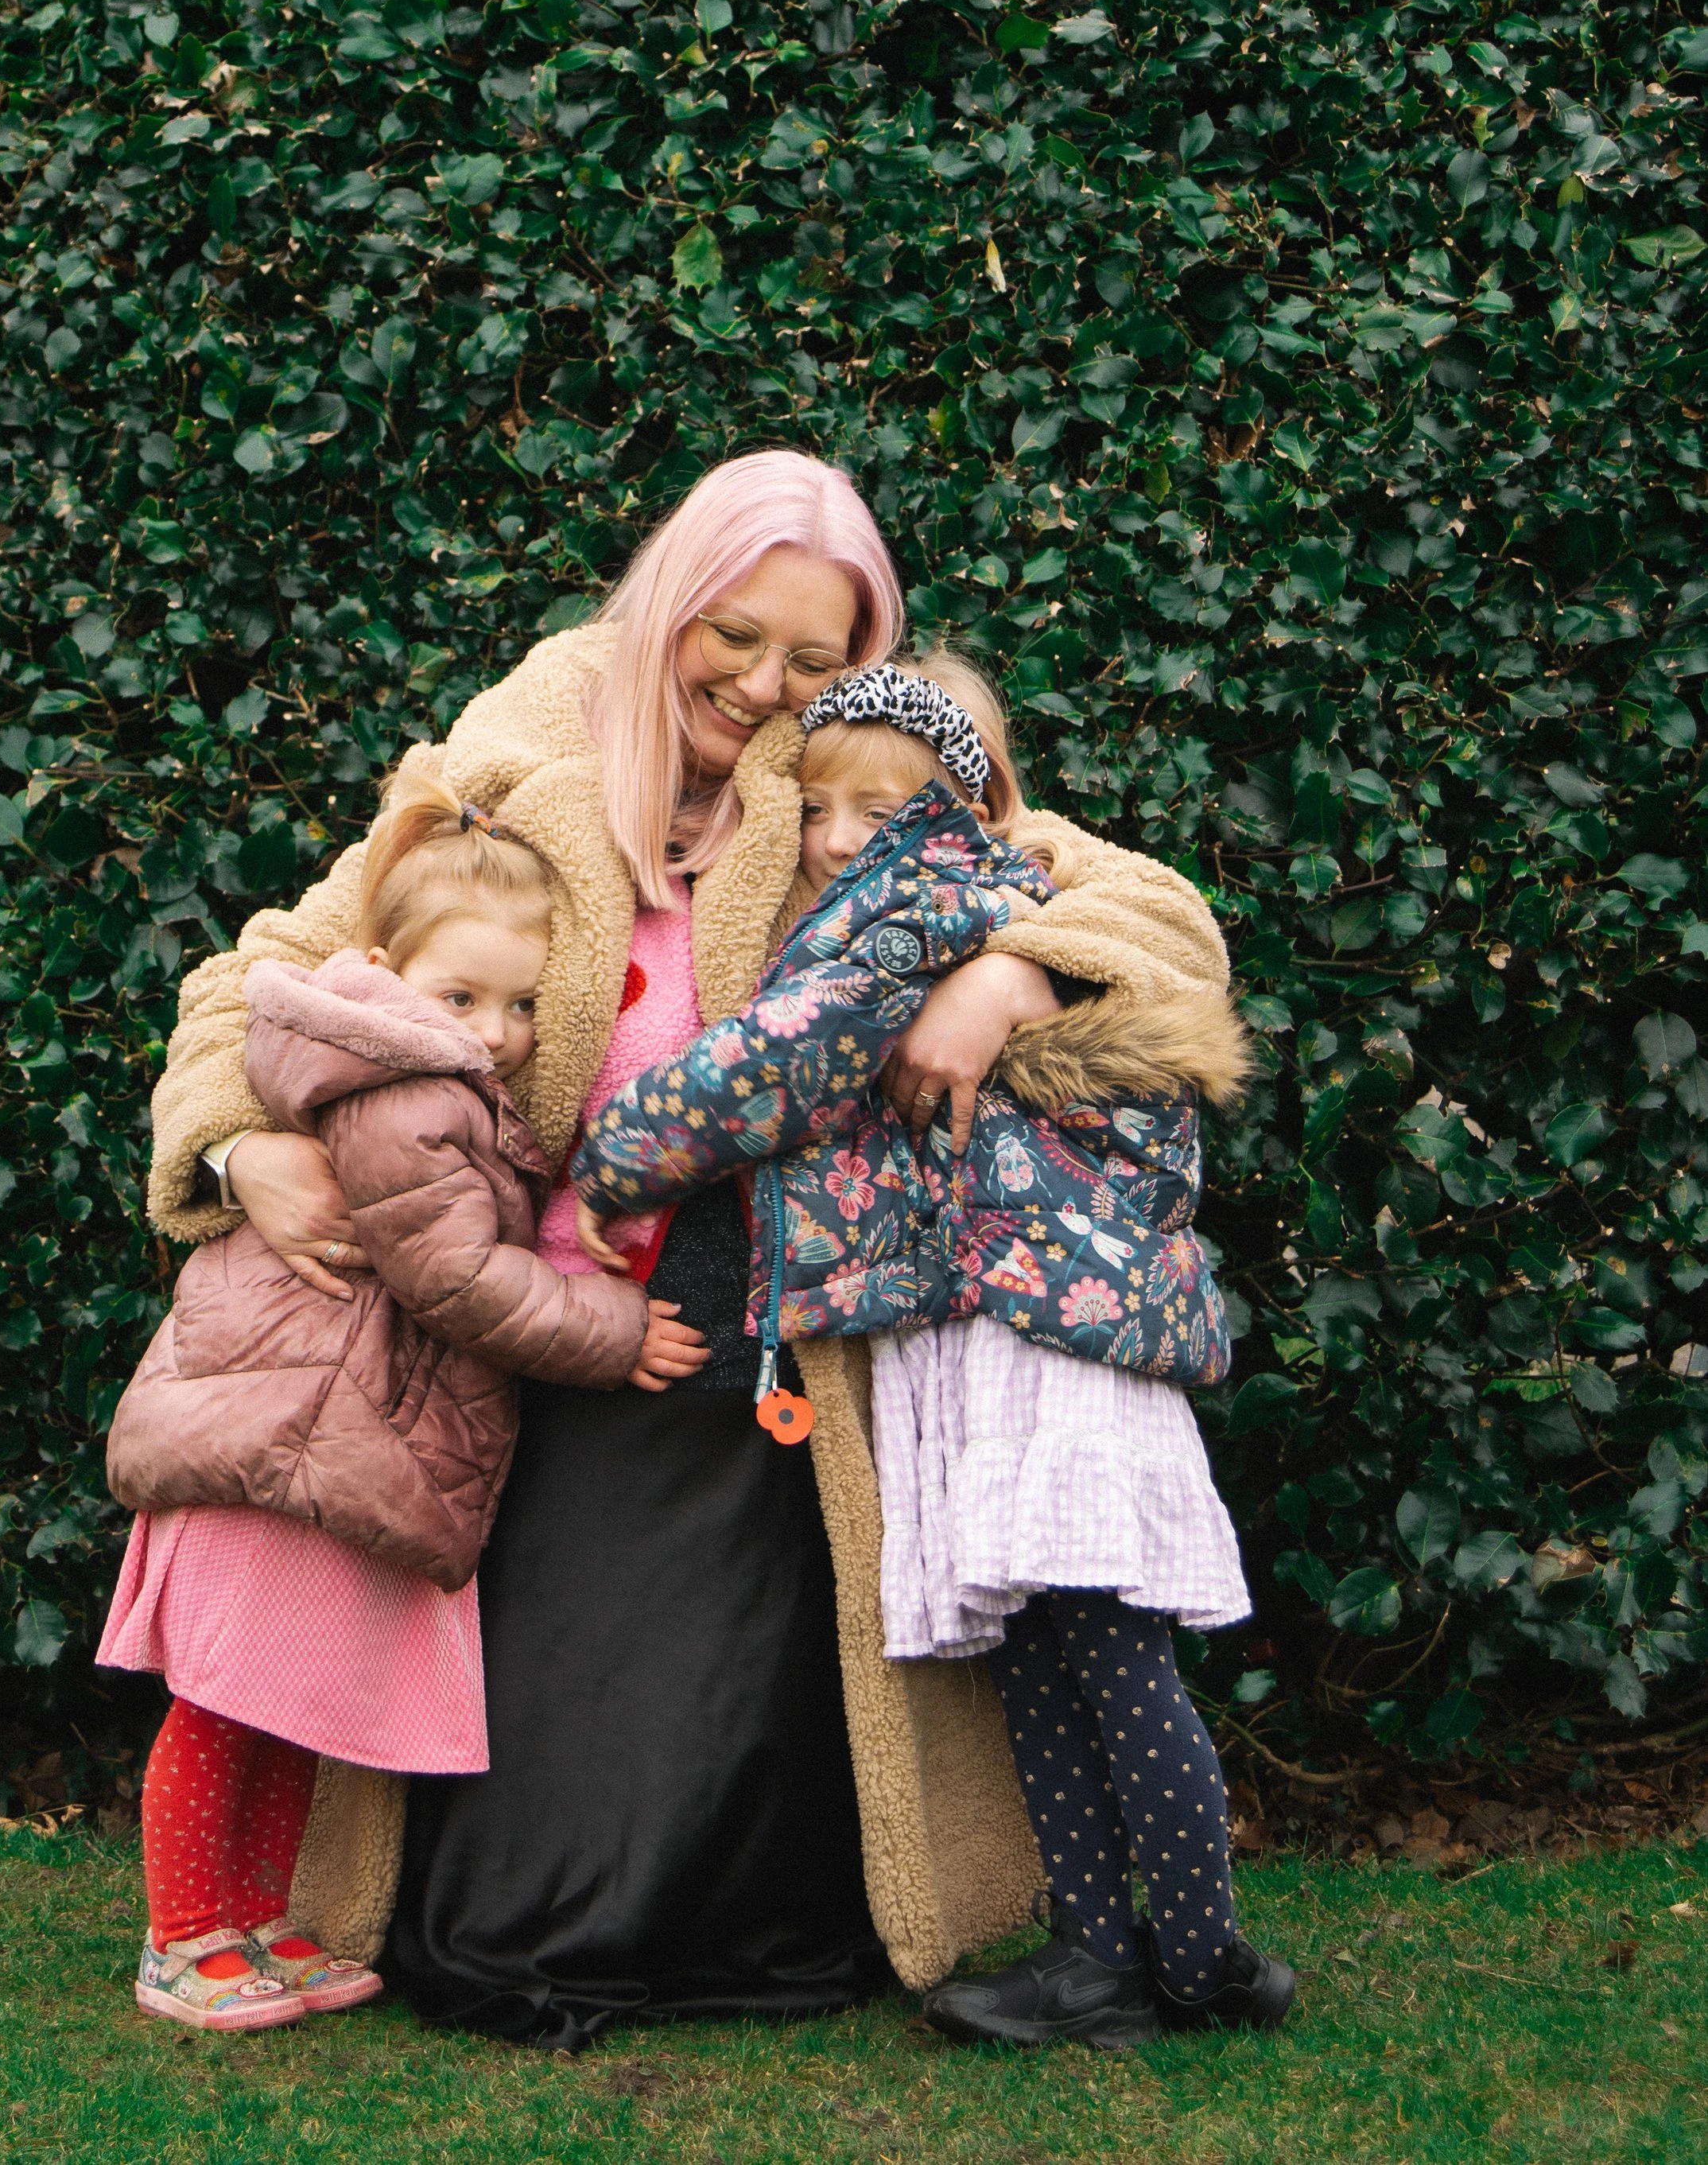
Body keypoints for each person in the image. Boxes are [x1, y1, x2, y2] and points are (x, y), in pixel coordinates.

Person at [143, 449, 1240, 2046]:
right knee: (538, 1827)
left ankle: (830, 1912)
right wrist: (240, 1145)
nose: (762, 681)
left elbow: (1150, 916)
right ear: (667, 600)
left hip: (773, 1333)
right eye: (732, 635)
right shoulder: (513, 762)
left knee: (747, 1718)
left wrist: (1012, 982)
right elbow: (276, 969)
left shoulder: (857, 775)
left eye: (813, 653)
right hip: (535, 1311)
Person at [572, 656, 1295, 2049]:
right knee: (1034, 1652)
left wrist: (620, 1161)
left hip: (1043, 1334)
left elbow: (781, 1059)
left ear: (956, 806)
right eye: (819, 806)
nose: (838, 836)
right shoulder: (926, 893)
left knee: (1107, 1645)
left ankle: (1206, 1956)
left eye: (876, 808)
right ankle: (1095, 1959)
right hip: (980, 1325)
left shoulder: (931, 902)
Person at [99, 777, 659, 2029]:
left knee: (282, 1698)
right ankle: (186, 1932)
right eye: (461, 996)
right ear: (379, 965)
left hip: (312, 1425)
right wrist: (616, 1330)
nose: (501, 1030)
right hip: (277, 1426)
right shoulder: (404, 1085)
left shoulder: (434, 1072)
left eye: (522, 1003)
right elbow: (456, 1276)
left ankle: (257, 1923)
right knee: (225, 1700)